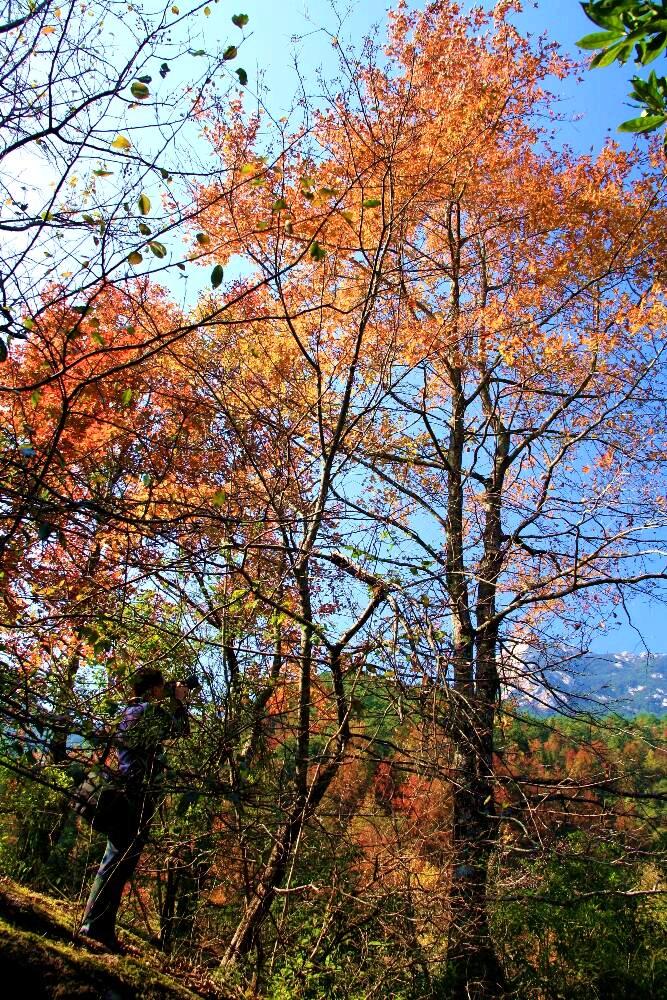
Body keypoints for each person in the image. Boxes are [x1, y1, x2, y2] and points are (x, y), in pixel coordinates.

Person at [77, 667, 190, 952]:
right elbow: (180, 730)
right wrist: (179, 700)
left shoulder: (131, 711)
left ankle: (98, 926)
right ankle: (95, 927)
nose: (163, 690)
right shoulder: (148, 712)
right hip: (135, 796)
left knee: (115, 859)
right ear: (152, 689)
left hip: (125, 790)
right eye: (161, 687)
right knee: (119, 861)